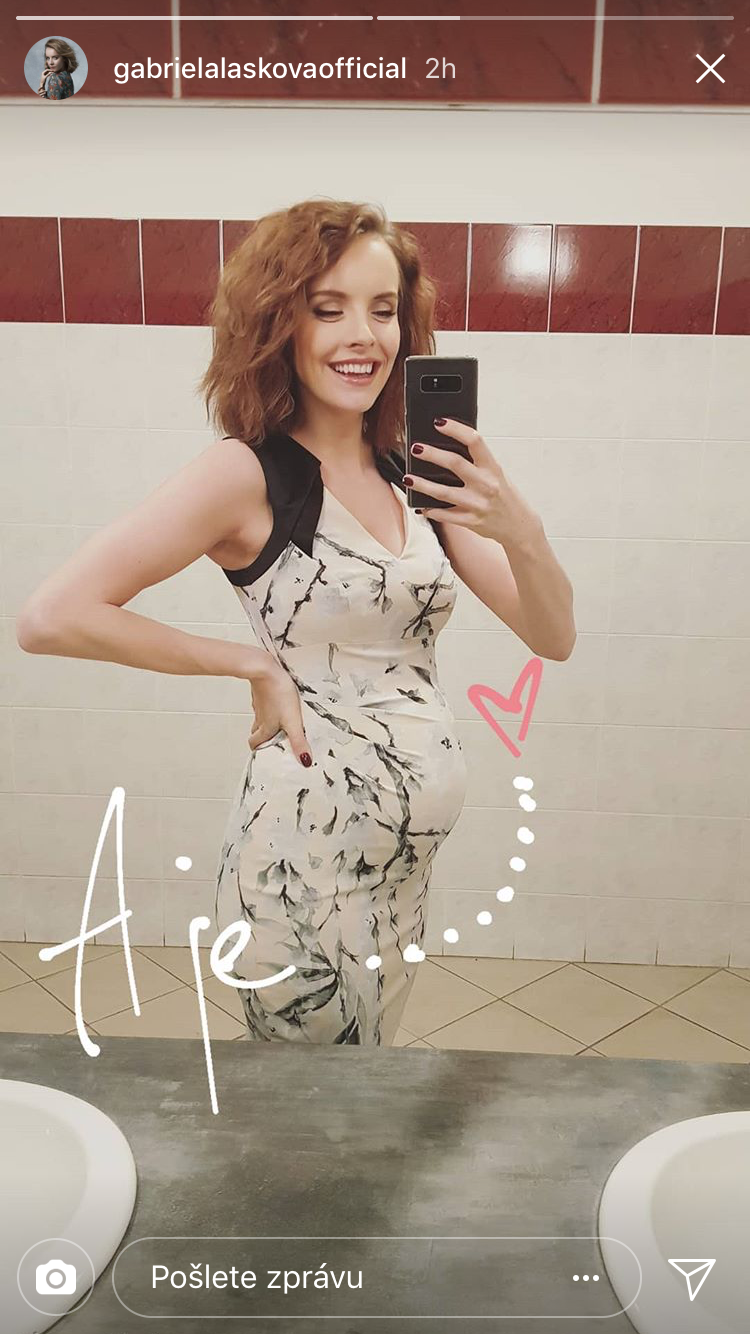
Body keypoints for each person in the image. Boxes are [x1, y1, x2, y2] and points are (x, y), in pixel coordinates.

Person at [16, 198, 576, 1046]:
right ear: (279, 323)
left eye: (382, 310)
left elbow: (553, 636)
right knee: (311, 1112)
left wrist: (521, 530)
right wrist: (248, 663)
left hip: (401, 875)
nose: (363, 336)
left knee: (360, 1092)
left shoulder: (414, 474)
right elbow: (51, 616)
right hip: (303, 875)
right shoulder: (246, 474)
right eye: (328, 309)